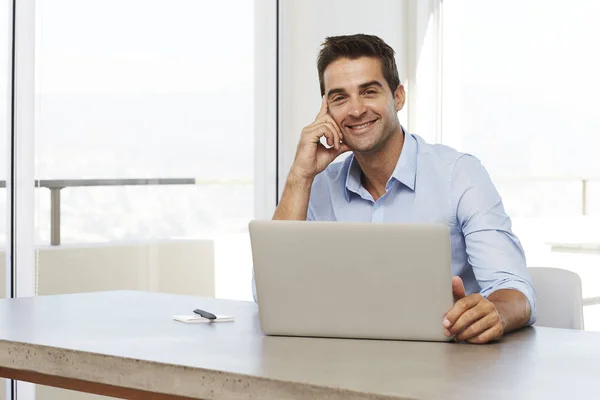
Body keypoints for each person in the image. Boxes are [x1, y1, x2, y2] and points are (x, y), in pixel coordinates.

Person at [263, 33, 536, 344]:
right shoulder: (320, 185)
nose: (355, 110)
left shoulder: (459, 174)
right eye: (340, 98)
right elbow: (271, 293)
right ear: (326, 111)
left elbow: (514, 289)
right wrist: (300, 176)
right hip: (347, 360)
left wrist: (495, 312)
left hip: (451, 365)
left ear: (398, 97)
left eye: (369, 91)